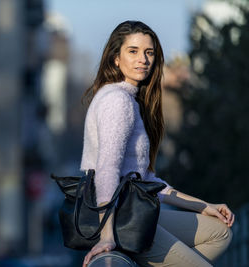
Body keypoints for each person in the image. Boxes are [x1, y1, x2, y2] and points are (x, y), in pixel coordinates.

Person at [80, 21, 234, 267]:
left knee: (220, 232)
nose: (143, 59)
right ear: (115, 59)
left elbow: (148, 183)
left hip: (134, 210)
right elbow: (106, 169)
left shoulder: (128, 100)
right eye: (133, 51)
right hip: (121, 221)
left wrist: (204, 206)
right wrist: (106, 236)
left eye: (149, 52)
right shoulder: (117, 102)